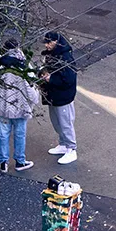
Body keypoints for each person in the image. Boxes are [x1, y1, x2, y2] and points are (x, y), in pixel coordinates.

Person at [0, 39, 39, 173]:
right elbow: (30, 87)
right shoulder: (24, 65)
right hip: (20, 107)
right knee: (20, 135)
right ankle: (20, 161)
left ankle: (2, 162)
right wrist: (34, 100)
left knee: (3, 135)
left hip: (2, 106)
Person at [39, 32, 78, 165]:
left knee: (65, 123)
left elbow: (69, 79)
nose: (47, 45)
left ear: (56, 41)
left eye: (49, 42)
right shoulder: (53, 55)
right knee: (57, 122)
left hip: (63, 97)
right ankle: (63, 144)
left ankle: (71, 149)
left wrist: (51, 79)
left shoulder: (65, 57)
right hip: (54, 96)